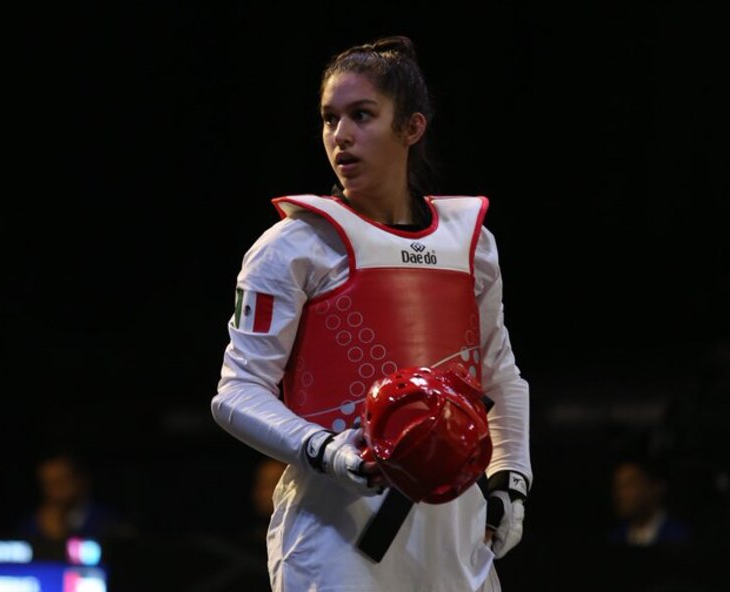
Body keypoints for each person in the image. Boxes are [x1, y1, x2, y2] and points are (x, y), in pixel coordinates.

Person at [211, 35, 532, 592]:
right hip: (335, 532)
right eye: (329, 119)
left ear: (411, 128)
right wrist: (330, 453)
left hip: (456, 532)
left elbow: (499, 373)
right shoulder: (292, 247)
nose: (341, 136)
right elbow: (236, 392)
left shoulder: (472, 246)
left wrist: (511, 480)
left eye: (362, 116)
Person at [16, 450, 134, 542]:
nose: (54, 490)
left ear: (82, 481)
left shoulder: (110, 524)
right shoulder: (32, 525)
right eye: (47, 483)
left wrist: (60, 537)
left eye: (61, 481)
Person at [606, 455, 692, 547]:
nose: (620, 494)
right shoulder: (615, 539)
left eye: (629, 485)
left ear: (656, 487)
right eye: (618, 487)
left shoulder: (679, 537)